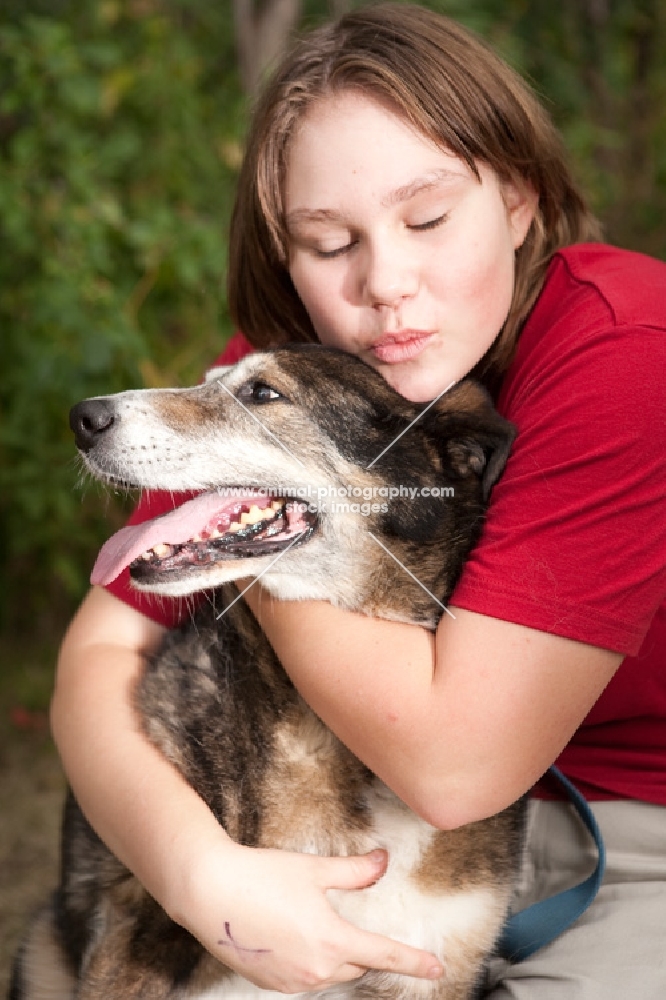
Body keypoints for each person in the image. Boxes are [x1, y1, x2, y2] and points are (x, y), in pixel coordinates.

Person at [52, 4, 666, 997]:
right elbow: (97, 654)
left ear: (516, 198)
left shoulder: (628, 354)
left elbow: (453, 765)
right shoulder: (293, 369)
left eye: (427, 218)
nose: (386, 283)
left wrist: (285, 532)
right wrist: (197, 873)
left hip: (634, 833)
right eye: (329, 241)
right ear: (287, 259)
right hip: (348, 800)